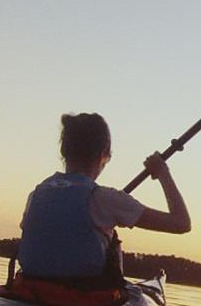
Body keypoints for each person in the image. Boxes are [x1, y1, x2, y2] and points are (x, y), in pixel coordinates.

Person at [16, 112, 190, 287]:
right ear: (104, 154)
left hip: (29, 291)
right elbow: (181, 223)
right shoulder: (107, 199)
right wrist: (162, 173)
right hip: (87, 297)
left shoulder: (37, 194)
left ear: (64, 151)